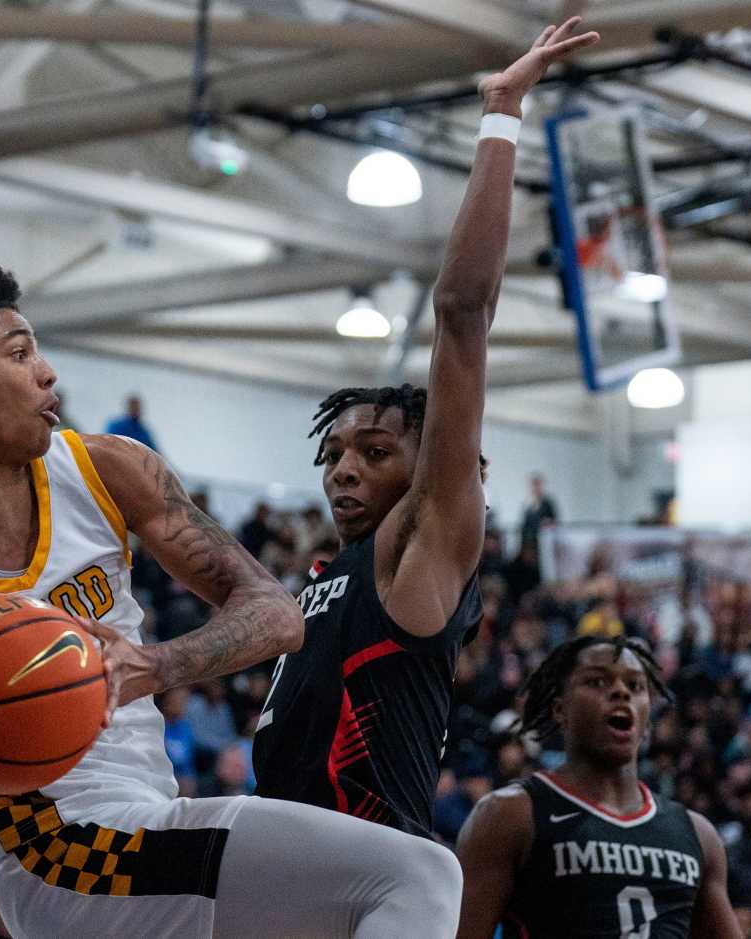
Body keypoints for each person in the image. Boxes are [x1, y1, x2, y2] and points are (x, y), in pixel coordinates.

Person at [0, 253, 465, 938]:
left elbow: (278, 615)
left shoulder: (105, 470)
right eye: (19, 354)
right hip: (56, 850)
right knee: (414, 875)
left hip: (141, 821)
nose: (47, 372)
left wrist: (159, 664)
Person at [251, 20, 599, 839]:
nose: (342, 470)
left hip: (367, 873)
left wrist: (501, 112)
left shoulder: (424, 541)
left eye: (375, 453)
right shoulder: (322, 576)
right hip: (278, 862)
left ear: (427, 470)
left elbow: (462, 311)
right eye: (333, 453)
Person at [453, 635, 741, 938]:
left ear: (647, 715)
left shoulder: (698, 835)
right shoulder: (509, 815)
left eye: (635, 686)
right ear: (559, 709)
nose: (620, 692)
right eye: (598, 682)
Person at [521, 472, 558, 550]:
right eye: (533, 485)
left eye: (537, 485)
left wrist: (547, 523)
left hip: (544, 541)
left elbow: (554, 522)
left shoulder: (547, 503)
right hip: (529, 541)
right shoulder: (527, 504)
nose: (535, 488)